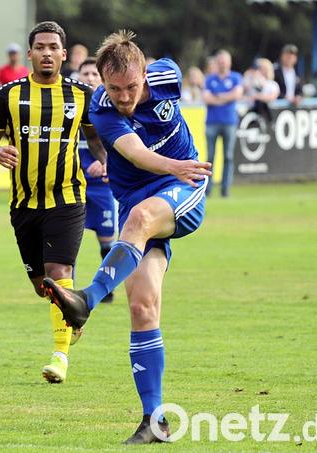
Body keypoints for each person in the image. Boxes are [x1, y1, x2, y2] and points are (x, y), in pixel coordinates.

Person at [40, 30, 212, 444]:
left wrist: (179, 169)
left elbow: (158, 157)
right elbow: (135, 154)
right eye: (114, 88)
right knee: (142, 306)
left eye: (132, 86)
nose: (124, 96)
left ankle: (86, 300)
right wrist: (172, 165)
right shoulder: (101, 109)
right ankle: (155, 420)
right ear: (102, 81)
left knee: (139, 216)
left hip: (183, 188)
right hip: (146, 194)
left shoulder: (166, 73)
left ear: (145, 75)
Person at [0, 21, 108, 385]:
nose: (47, 53)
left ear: (64, 54)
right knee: (43, 286)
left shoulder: (82, 95)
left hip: (67, 198)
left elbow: (97, 138)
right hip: (23, 204)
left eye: (54, 47)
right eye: (41, 47)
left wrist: (104, 158)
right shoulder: (7, 95)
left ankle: (60, 356)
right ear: (30, 53)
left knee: (58, 273)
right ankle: (73, 314)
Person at [76, 57, 118, 303]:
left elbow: (120, 145)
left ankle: (106, 288)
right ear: (78, 76)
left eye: (94, 74)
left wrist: (104, 163)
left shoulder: (109, 109)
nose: (89, 78)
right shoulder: (69, 106)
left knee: (106, 239)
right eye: (85, 74)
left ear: (101, 79)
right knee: (69, 238)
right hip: (74, 184)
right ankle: (66, 290)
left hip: (102, 186)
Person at [202, 49, 243, 198]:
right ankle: (207, 190)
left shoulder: (236, 77)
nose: (222, 63)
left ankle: (225, 190)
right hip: (212, 122)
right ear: (217, 62)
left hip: (229, 122)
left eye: (225, 61)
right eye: (220, 61)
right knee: (210, 157)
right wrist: (227, 97)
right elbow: (206, 98)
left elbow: (237, 94)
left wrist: (218, 97)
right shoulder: (209, 79)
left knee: (228, 156)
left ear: (229, 62)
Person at [245, 57, 280, 123]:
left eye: (262, 68)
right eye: (258, 68)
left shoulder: (273, 84)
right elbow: (244, 90)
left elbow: (272, 97)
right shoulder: (251, 80)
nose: (260, 70)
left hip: (266, 114)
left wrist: (256, 96)